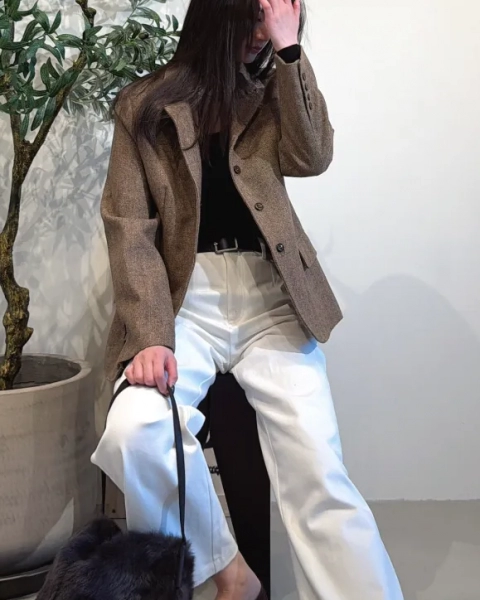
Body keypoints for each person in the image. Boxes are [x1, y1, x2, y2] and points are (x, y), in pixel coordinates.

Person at [92, 0, 404, 599]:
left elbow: (313, 156)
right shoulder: (143, 105)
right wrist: (151, 334)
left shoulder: (273, 89)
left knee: (318, 468)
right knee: (135, 429)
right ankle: (231, 574)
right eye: (255, 16)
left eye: (276, 16)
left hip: (271, 300)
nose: (263, 32)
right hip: (184, 301)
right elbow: (129, 228)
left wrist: (290, 51)